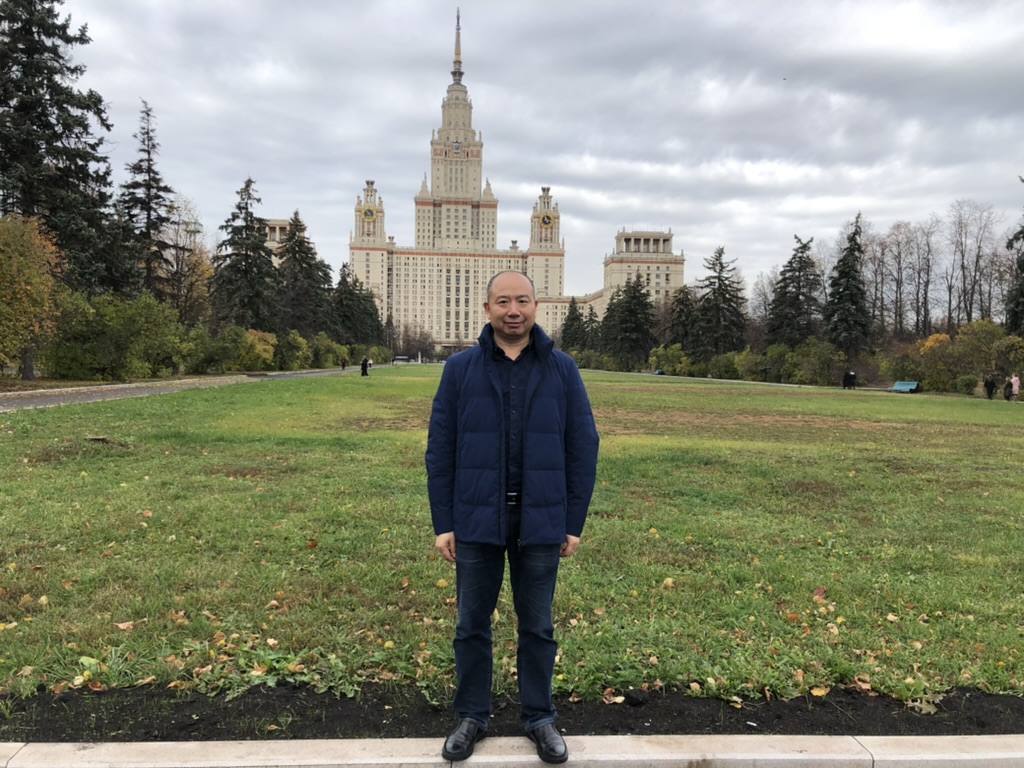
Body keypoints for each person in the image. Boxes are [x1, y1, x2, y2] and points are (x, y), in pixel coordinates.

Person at [426, 270, 599, 764]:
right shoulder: (460, 369)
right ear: (488, 310)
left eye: (522, 300)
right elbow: (440, 448)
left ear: (536, 306)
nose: (513, 310)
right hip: (476, 518)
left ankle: (540, 717)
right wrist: (444, 522)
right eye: (503, 301)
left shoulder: (562, 369)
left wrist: (572, 522)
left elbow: (583, 446)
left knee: (537, 626)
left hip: (541, 520)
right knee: (471, 625)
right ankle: (471, 716)